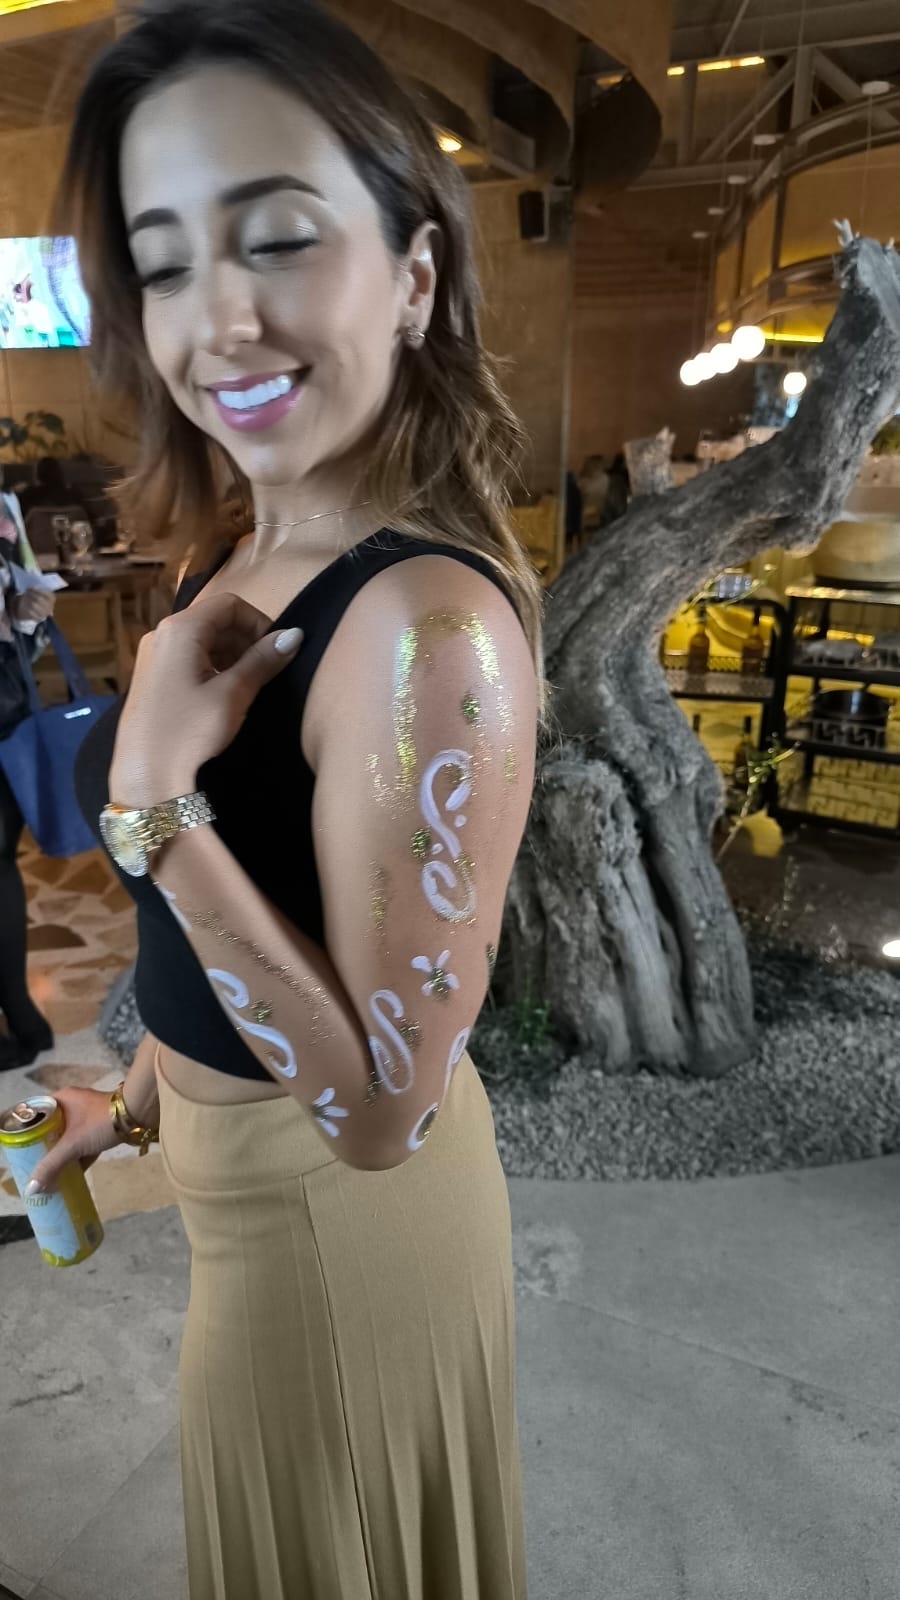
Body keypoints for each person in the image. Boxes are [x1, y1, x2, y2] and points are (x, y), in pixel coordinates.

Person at [26, 3, 543, 1596]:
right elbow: (274, 950)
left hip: (342, 1245)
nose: (219, 319)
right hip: (252, 1206)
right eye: (167, 261)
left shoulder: (424, 626)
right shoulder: (245, 555)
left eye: (276, 239)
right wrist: (135, 1108)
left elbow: (384, 1110)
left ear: (414, 271)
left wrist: (150, 815)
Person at [0, 468, 57, 1070]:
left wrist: (26, 613)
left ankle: (18, 1010)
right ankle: (21, 1015)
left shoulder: (5, 510)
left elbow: (31, 630)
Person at [16, 455, 74, 521]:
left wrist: (13, 493)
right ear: (60, 472)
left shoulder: (30, 494)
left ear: (38, 474)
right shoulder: (72, 494)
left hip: (36, 530)